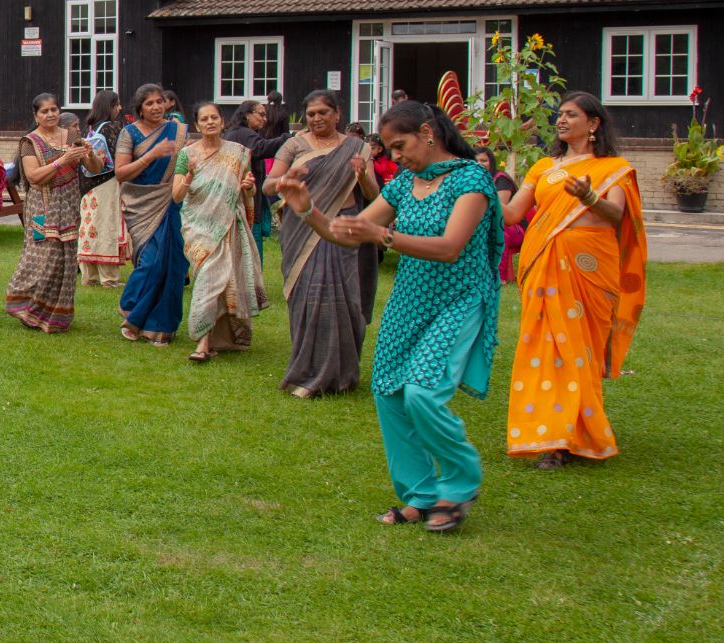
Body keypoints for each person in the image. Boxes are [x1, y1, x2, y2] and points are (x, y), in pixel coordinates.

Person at [270, 100, 504, 533]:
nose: (395, 157)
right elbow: (347, 234)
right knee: (389, 393)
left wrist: (385, 235)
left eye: (400, 145)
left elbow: (451, 247)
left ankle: (460, 481)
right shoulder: (404, 185)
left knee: (422, 393)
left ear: (428, 132)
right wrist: (307, 209)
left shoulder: (472, 180)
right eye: (390, 149)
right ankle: (421, 495)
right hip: (410, 300)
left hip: (458, 299)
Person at [499, 92, 646, 469]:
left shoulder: (614, 167)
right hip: (543, 264)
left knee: (580, 350)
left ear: (593, 124)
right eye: (559, 115)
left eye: (571, 115)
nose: (561, 120)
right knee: (545, 348)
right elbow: (513, 214)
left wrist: (589, 196)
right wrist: (478, 189)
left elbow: (615, 215)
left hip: (590, 269)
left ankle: (574, 433)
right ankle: (552, 436)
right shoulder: (544, 166)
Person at [264, 90, 376, 399]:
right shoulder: (294, 144)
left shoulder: (357, 148)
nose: (316, 119)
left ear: (337, 114)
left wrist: (362, 175)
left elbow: (375, 194)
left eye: (323, 113)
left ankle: (343, 375)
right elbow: (268, 185)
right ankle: (308, 374)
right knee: (308, 298)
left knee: (347, 300)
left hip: (344, 226)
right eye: (311, 114)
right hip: (302, 228)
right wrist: (289, 175)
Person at [174, 101, 267, 362]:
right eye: (204, 119)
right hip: (198, 227)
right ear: (197, 125)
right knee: (206, 278)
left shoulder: (238, 153)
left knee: (225, 280)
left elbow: (248, 190)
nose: (210, 122)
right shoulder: (187, 155)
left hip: (228, 224)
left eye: (214, 117)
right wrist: (189, 178)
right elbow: (177, 195)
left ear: (222, 122)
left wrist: (249, 185)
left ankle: (207, 342)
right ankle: (205, 335)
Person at [6, 94, 105, 332]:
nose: (50, 114)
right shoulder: (29, 142)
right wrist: (62, 160)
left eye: (54, 109)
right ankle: (25, 305)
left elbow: (95, 169)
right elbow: (33, 177)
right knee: (41, 259)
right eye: (44, 111)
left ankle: (55, 317)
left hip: (69, 206)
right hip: (43, 208)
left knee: (65, 261)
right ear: (36, 116)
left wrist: (89, 155)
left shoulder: (71, 136)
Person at [116, 84, 188, 346]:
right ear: (140, 109)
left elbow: (187, 164)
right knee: (151, 262)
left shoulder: (177, 131)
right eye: (149, 103)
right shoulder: (129, 133)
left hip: (171, 201)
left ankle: (159, 326)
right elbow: (121, 173)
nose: (156, 107)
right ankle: (133, 311)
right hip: (141, 203)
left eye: (160, 101)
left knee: (174, 264)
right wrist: (152, 155)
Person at [224, 98, 290, 262]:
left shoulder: (234, 132)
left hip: (236, 196)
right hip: (246, 198)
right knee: (251, 244)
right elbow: (261, 148)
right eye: (261, 114)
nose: (265, 119)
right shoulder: (244, 133)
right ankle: (251, 284)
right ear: (247, 114)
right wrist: (289, 138)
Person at [75, 91, 129, 286]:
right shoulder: (111, 129)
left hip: (88, 186)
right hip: (107, 183)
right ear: (110, 107)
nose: (120, 109)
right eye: (117, 105)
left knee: (89, 227)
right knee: (107, 226)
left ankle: (89, 276)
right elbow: (118, 158)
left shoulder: (91, 129)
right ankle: (109, 277)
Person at [475, 149, 525, 282]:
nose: (479, 164)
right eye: (476, 161)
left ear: (491, 162)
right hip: (486, 223)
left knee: (496, 230)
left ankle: (499, 277)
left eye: (483, 160)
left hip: (516, 227)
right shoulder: (472, 180)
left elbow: (499, 211)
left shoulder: (501, 179)